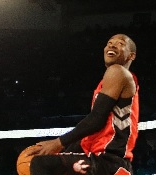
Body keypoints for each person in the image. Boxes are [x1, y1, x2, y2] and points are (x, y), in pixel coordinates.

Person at [26, 33, 139, 175]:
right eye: (109, 42)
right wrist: (64, 150)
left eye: (121, 43)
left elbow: (96, 119)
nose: (112, 45)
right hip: (108, 163)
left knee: (41, 163)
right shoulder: (113, 80)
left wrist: (58, 143)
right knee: (53, 162)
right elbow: (95, 129)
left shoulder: (118, 71)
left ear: (131, 56)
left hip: (107, 161)